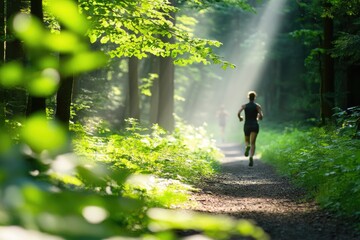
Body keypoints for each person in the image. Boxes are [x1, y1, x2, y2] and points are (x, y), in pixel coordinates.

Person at [237, 91, 263, 166]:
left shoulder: (244, 106)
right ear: (254, 97)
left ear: (248, 97)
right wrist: (258, 117)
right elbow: (261, 116)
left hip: (247, 125)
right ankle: (251, 157)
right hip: (255, 125)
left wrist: (240, 118)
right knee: (253, 143)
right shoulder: (257, 106)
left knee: (247, 141)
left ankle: (247, 146)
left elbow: (238, 113)